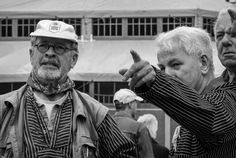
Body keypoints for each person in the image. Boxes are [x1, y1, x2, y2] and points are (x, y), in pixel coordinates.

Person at [0, 19, 137, 158]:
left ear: (73, 59)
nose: (50, 53)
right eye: (43, 46)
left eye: (59, 47)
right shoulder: (4, 108)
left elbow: (126, 154)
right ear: (31, 55)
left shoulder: (95, 113)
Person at [119, 22, 236, 157]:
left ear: (203, 63)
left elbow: (212, 117)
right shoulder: (187, 115)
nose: (167, 74)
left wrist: (155, 81)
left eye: (175, 65)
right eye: (162, 68)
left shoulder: (229, 98)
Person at [113, 88, 154, 158]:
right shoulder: (139, 127)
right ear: (130, 104)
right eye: (135, 103)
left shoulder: (105, 125)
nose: (136, 106)